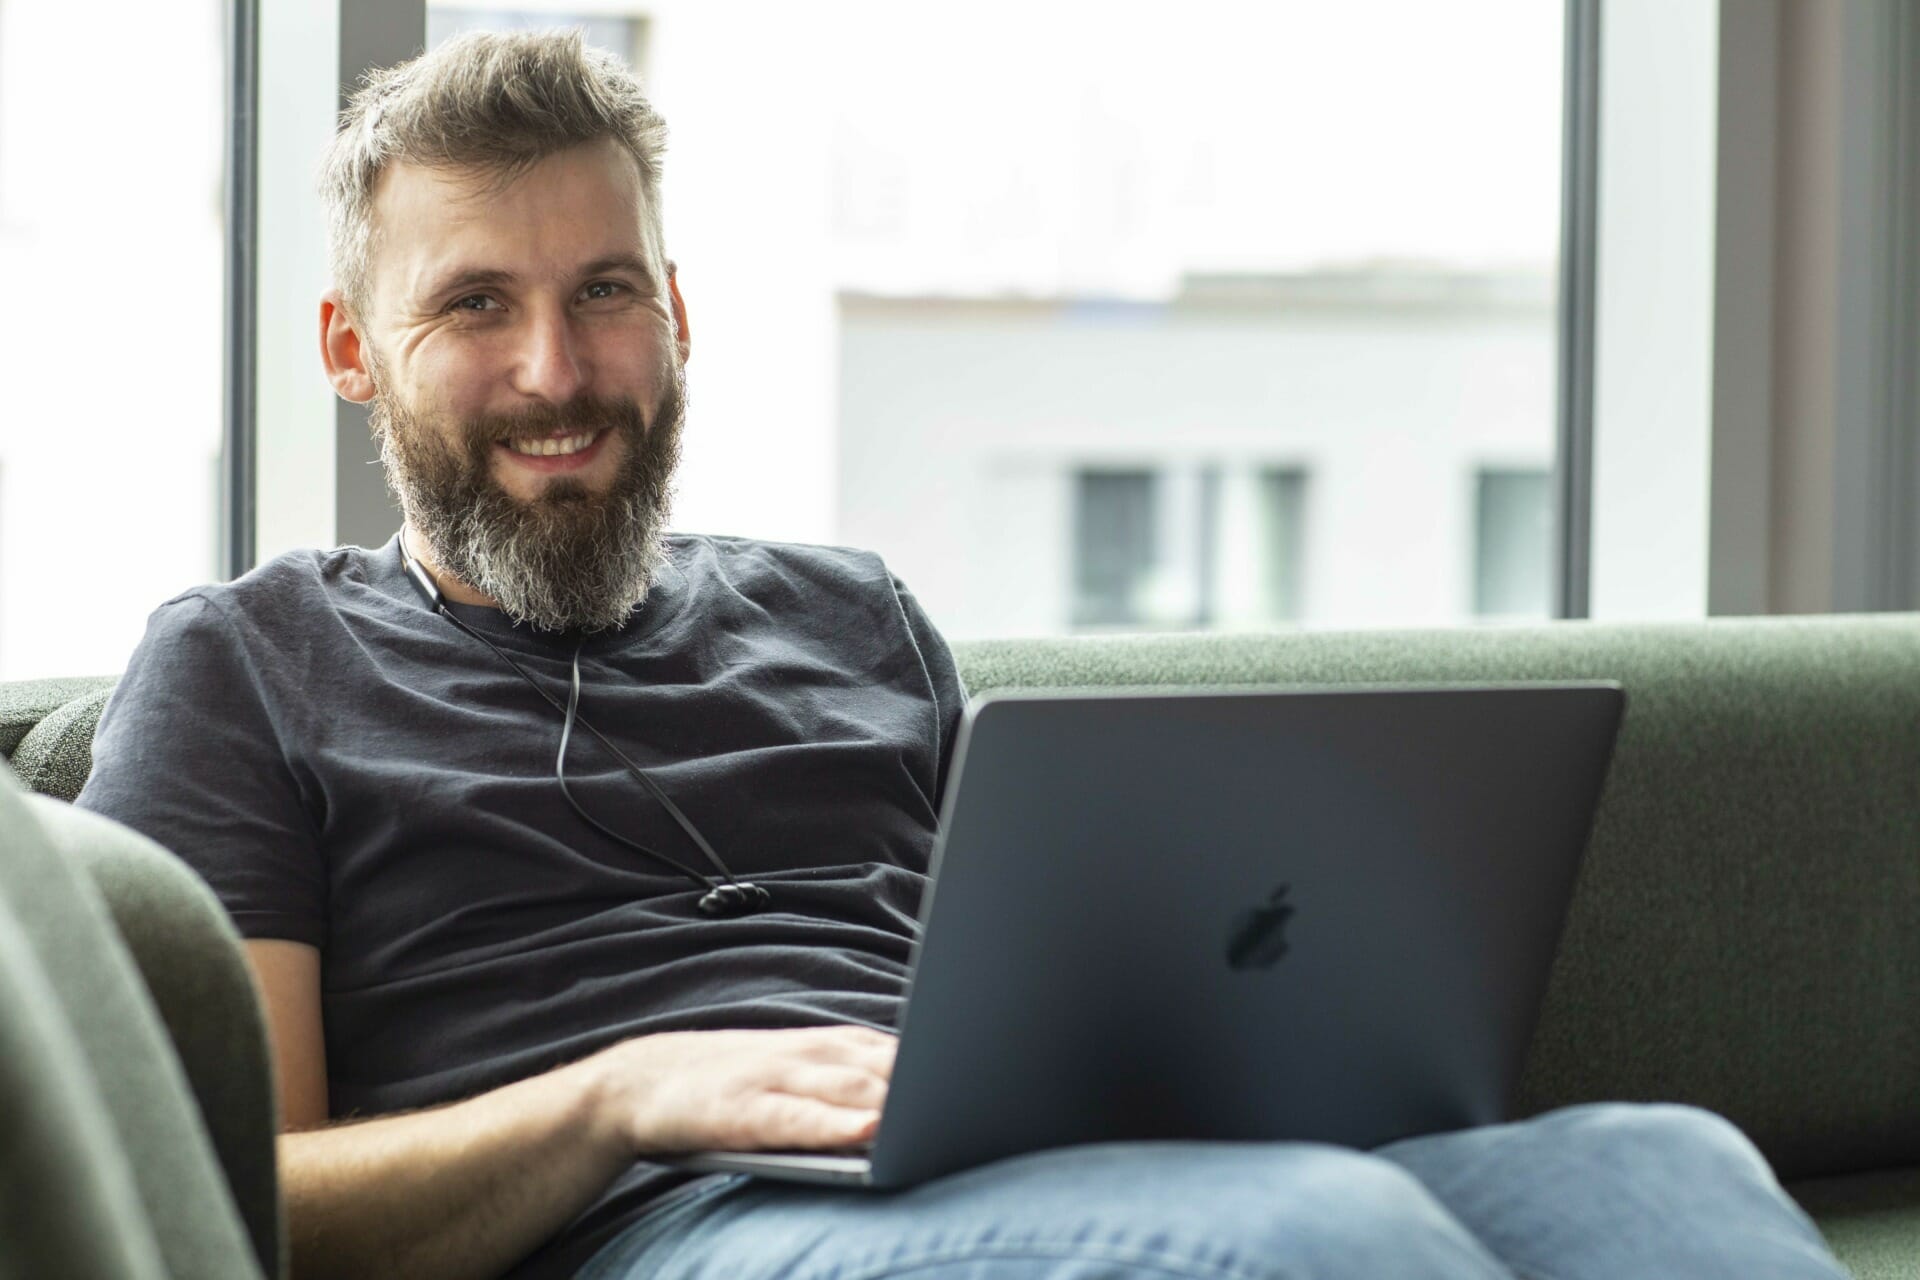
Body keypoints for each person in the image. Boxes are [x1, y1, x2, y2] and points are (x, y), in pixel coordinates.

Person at [76, 29, 1847, 1280]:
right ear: (348, 348)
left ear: (675, 315)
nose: (559, 367)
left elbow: (1041, 968)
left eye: (607, 289)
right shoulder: (247, 667)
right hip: (664, 1226)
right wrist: (623, 1100)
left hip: (997, 1174)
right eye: (475, 303)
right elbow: (236, 1208)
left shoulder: (846, 611)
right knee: (1322, 1242)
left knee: (1653, 1172)